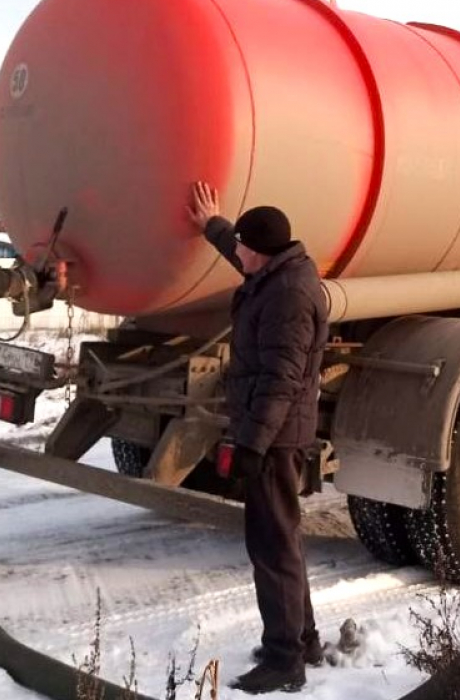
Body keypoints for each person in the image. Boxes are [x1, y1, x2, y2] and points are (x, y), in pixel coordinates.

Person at [187, 181, 328, 694]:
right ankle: (303, 638)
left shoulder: (289, 297)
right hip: (275, 434)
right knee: (283, 538)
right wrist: (213, 226)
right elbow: (240, 249)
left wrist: (251, 445)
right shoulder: (276, 272)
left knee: (271, 546)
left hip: (275, 438)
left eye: (242, 246)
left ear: (262, 252)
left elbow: (281, 380)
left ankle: (284, 659)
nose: (236, 253)